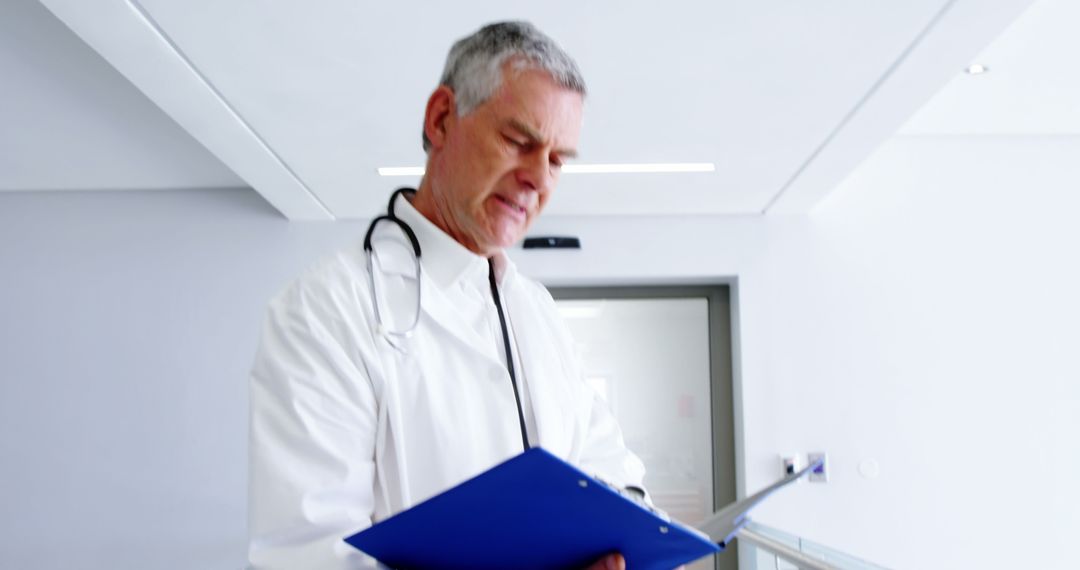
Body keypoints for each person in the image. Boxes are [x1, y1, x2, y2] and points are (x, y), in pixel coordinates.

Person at [247, 21, 646, 569]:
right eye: (519, 141)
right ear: (441, 119)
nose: (539, 179)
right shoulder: (327, 309)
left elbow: (610, 465)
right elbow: (309, 555)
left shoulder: (536, 311)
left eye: (557, 159)